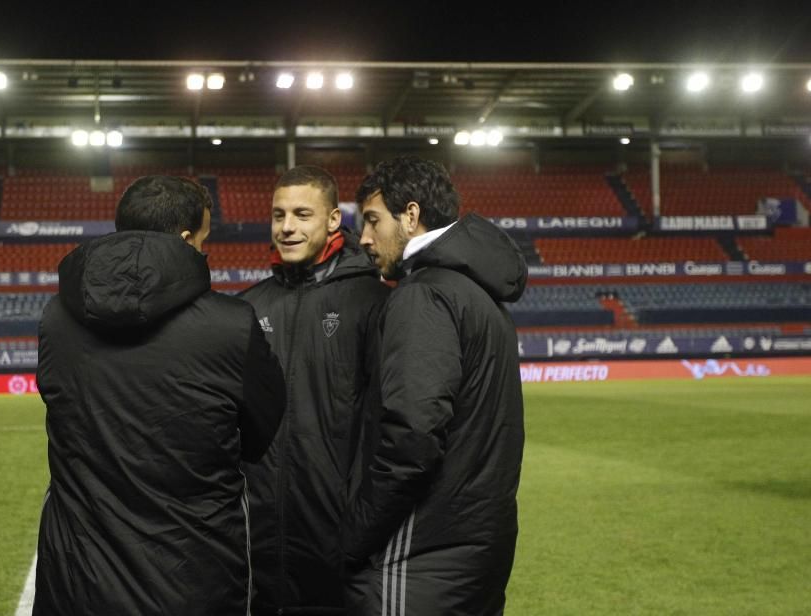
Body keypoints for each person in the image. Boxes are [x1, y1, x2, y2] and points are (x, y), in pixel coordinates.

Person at [33, 175, 286, 615]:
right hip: (194, 577)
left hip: (77, 581)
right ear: (188, 239)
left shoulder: (56, 317)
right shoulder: (233, 324)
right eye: (205, 239)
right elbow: (261, 435)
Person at [343, 156, 528, 615]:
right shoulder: (480, 294)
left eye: (371, 220)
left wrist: (355, 533)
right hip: (477, 546)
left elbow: (413, 437)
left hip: (422, 553)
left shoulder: (424, 294)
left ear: (410, 214)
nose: (363, 238)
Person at [238, 165, 390, 614]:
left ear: (331, 221)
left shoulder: (373, 302)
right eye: (278, 215)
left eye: (302, 214)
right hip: (259, 546)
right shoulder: (248, 307)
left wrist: (361, 521)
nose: (287, 227)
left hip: (341, 544)